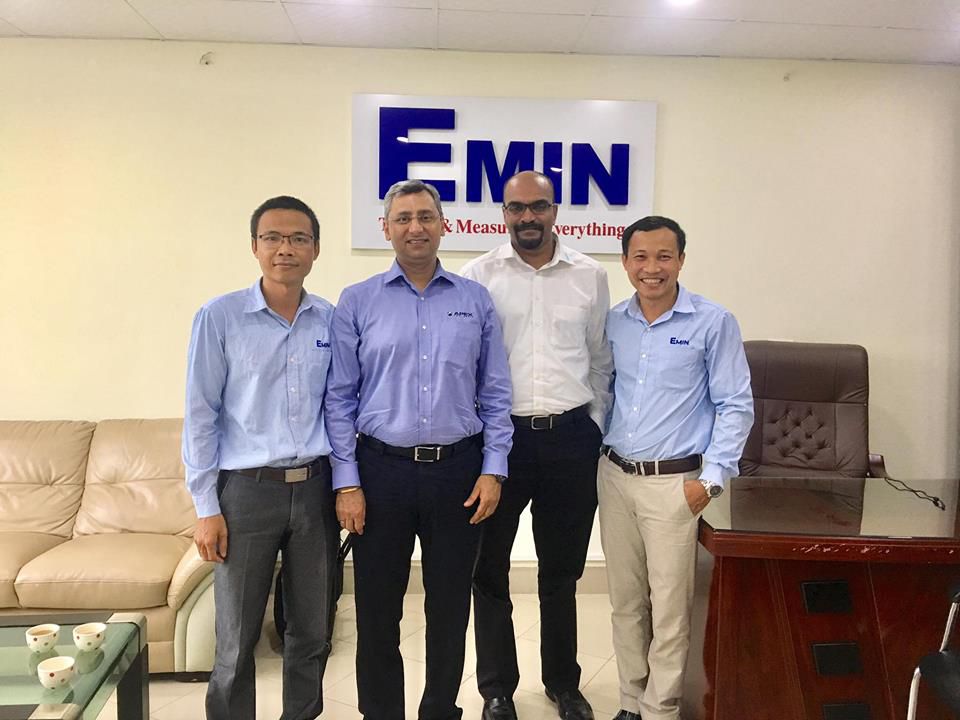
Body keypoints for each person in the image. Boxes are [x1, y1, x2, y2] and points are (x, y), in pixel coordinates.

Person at [325, 179, 514, 720]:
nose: (416, 227)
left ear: (443, 225)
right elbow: (339, 398)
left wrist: (494, 470)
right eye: (403, 218)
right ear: (385, 228)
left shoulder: (474, 300)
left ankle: (439, 710)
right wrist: (347, 482)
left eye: (426, 216)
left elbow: (495, 391)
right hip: (379, 472)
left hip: (459, 473)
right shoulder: (357, 301)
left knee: (450, 608)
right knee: (377, 610)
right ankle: (381, 712)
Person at [460, 171, 614, 720]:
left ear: (555, 211)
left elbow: (599, 358)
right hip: (499, 444)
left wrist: (594, 425)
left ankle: (563, 684)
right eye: (517, 207)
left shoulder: (590, 275)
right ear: (504, 213)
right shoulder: (478, 276)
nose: (528, 217)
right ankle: (497, 689)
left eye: (539, 206)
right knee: (489, 570)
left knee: (561, 571)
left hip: (570, 440)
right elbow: (468, 364)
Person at [182, 195, 340, 720]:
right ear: (254, 246)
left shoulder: (331, 321)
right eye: (273, 238)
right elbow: (200, 414)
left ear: (315, 249)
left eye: (298, 238)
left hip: (315, 490)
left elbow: (341, 409)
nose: (285, 249)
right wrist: (206, 506)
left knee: (311, 631)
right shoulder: (220, 317)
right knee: (236, 637)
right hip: (246, 492)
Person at [600, 216, 753, 720]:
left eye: (664, 256)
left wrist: (710, 481)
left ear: (681, 260)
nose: (652, 268)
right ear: (626, 263)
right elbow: (604, 391)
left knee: (669, 609)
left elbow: (736, 405)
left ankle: (660, 708)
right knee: (626, 602)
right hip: (615, 477)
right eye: (641, 257)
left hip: (675, 484)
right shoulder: (614, 322)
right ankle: (630, 700)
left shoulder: (713, 322)